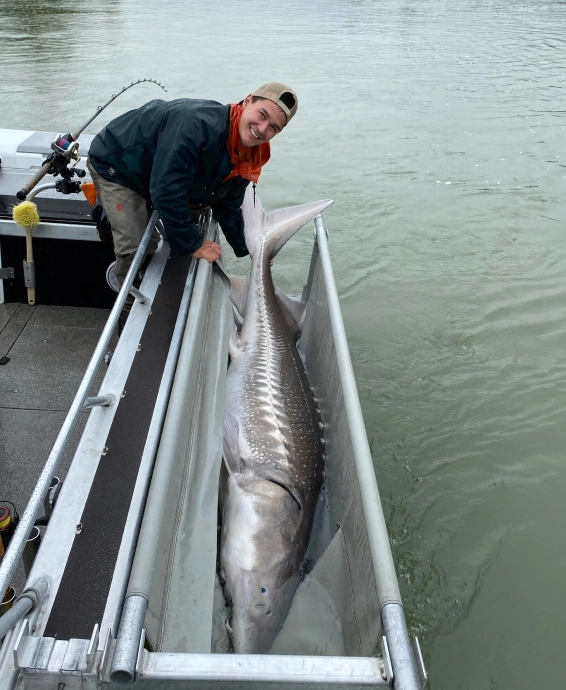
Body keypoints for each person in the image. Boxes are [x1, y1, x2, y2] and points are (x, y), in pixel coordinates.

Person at [87, 82, 298, 295]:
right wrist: (192, 244)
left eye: (273, 127)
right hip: (117, 164)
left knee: (198, 206)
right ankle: (128, 294)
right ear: (248, 100)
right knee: (138, 246)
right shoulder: (195, 125)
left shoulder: (252, 153)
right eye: (262, 115)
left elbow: (227, 205)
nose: (262, 129)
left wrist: (250, 247)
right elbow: (165, 191)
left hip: (152, 168)